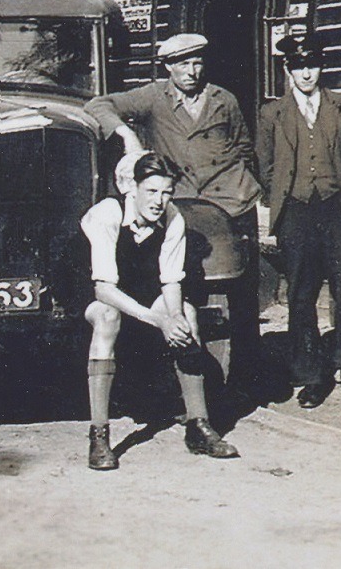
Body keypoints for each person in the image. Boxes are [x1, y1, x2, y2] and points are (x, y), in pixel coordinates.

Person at [83, 33, 264, 391]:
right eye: (183, 64)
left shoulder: (223, 99)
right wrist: (127, 135)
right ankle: (191, 374)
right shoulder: (153, 97)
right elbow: (98, 105)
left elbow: (243, 146)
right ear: (168, 67)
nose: (192, 71)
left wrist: (241, 183)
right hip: (185, 204)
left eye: (197, 63)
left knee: (243, 293)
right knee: (184, 284)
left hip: (232, 202)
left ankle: (246, 378)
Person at [81, 151, 240, 470]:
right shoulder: (107, 213)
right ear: (133, 188)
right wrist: (156, 319)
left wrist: (175, 317)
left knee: (187, 316)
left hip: (138, 283)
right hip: (92, 284)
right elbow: (104, 289)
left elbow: (170, 280)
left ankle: (198, 425)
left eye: (167, 192)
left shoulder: (172, 219)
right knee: (109, 318)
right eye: (151, 191)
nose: (159, 200)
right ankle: (99, 436)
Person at [257, 31, 341, 411]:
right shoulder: (272, 113)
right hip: (296, 213)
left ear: (321, 67)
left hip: (337, 210)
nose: (306, 73)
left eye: (312, 65)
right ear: (287, 69)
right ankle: (312, 377)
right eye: (298, 66)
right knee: (301, 296)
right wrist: (285, 197)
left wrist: (335, 187)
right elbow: (265, 165)